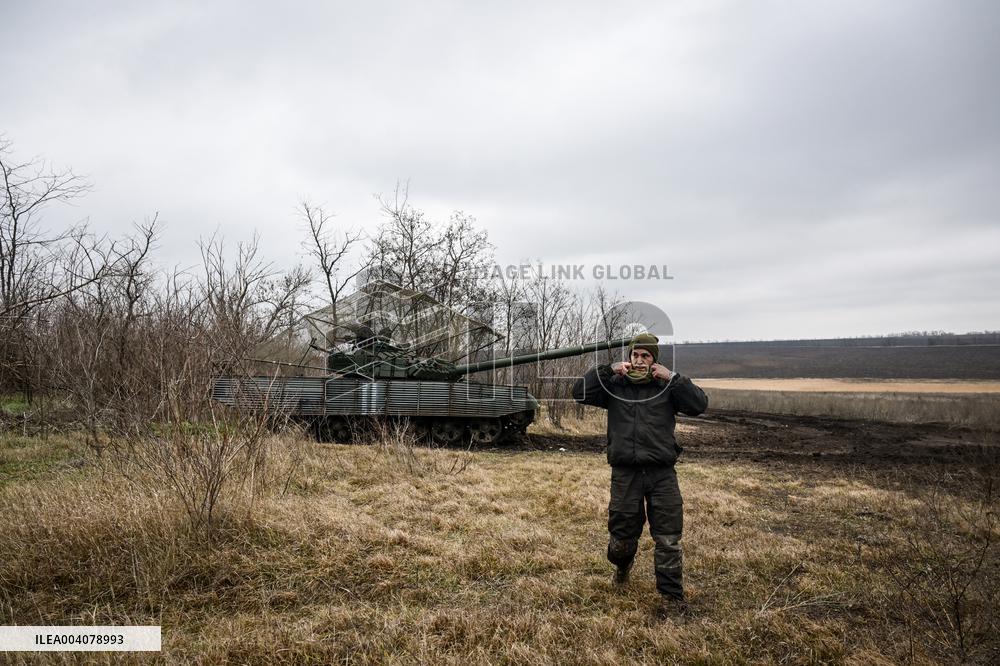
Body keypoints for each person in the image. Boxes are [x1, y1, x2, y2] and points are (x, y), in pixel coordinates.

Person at [571, 332, 708, 620]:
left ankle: (671, 599)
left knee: (668, 538)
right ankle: (622, 567)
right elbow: (579, 392)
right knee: (621, 539)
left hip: (661, 473)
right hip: (625, 473)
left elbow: (699, 405)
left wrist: (673, 377)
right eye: (635, 355)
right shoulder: (616, 387)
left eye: (646, 356)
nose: (640, 360)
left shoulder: (668, 387)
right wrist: (607, 371)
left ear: (654, 361)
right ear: (630, 358)